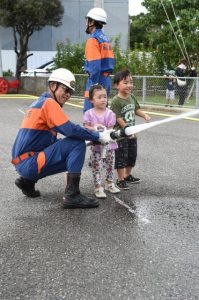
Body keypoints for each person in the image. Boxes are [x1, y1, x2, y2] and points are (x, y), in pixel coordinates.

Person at [11, 68, 114, 209]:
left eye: (70, 92)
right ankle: (72, 195)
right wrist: (99, 135)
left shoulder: (39, 102)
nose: (67, 95)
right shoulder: (49, 103)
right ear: (52, 86)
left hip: (23, 162)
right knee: (77, 144)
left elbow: (49, 144)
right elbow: (70, 130)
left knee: (72, 149)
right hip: (30, 162)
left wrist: (90, 139)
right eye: (65, 90)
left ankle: (26, 182)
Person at [110, 69, 151, 190]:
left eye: (131, 82)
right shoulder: (116, 101)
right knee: (121, 157)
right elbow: (118, 118)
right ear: (117, 85)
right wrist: (127, 129)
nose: (129, 85)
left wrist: (144, 115)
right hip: (122, 136)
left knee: (132, 156)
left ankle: (127, 175)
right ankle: (120, 179)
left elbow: (136, 109)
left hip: (133, 135)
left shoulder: (132, 97)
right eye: (126, 82)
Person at [83, 84, 120, 198]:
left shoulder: (110, 114)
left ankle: (109, 183)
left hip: (109, 146)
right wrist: (94, 128)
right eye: (99, 97)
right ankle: (98, 187)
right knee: (97, 166)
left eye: (105, 97)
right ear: (91, 100)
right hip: (96, 146)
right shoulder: (88, 113)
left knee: (110, 164)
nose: (103, 99)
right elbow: (86, 127)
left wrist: (105, 131)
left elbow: (110, 129)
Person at [83, 7, 115, 113]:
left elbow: (95, 66)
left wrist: (94, 87)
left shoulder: (93, 40)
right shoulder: (105, 39)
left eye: (87, 20)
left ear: (92, 22)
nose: (86, 23)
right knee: (102, 115)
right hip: (106, 81)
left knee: (90, 116)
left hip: (96, 81)